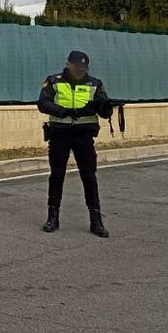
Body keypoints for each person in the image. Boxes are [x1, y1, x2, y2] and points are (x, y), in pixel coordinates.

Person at [36, 50, 113, 237]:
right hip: (59, 135)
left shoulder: (95, 84)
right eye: (77, 67)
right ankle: (52, 217)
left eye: (83, 68)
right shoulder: (54, 81)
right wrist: (64, 111)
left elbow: (105, 113)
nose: (80, 71)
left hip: (83, 137)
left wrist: (105, 106)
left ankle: (96, 221)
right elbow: (43, 103)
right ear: (68, 64)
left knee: (89, 178)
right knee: (56, 176)